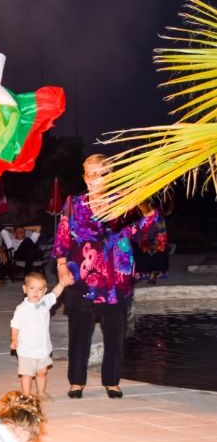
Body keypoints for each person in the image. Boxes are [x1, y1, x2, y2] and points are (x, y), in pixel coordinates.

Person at [53, 154, 157, 399]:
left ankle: (112, 381)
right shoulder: (74, 203)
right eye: (89, 174)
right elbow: (63, 235)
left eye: (99, 174)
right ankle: (76, 381)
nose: (93, 179)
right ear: (84, 176)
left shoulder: (125, 202)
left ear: (111, 176)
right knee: (79, 331)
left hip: (116, 277)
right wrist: (60, 265)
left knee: (115, 331)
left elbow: (147, 227)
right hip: (82, 276)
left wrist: (142, 200)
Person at [10, 269, 68, 398]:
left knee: (42, 372)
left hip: (42, 348)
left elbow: (55, 293)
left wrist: (62, 284)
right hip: (26, 349)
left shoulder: (45, 303)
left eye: (40, 289)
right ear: (25, 289)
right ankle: (26, 395)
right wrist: (14, 339)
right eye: (32, 288)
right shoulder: (21, 309)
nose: (36, 292)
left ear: (44, 291)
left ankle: (41, 393)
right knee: (27, 374)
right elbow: (15, 325)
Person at [133, 200, 169, 285]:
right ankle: (144, 271)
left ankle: (157, 272)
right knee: (141, 248)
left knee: (159, 248)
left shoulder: (158, 216)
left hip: (156, 231)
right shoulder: (138, 215)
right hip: (142, 232)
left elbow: (161, 239)